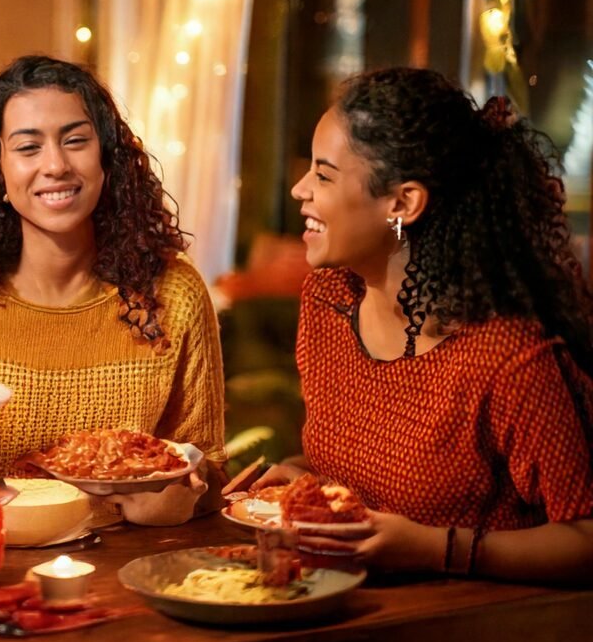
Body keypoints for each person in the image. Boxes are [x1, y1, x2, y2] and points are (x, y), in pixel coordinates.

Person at [249, 67, 593, 584]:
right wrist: (308, 480)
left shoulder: (506, 358)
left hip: (466, 639)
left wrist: (438, 549)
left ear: (402, 203)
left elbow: (586, 539)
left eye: (323, 175)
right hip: (343, 610)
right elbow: (372, 468)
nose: (300, 189)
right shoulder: (328, 301)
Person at [0, 55, 226, 525]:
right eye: (28, 147)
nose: (56, 165)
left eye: (75, 141)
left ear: (107, 158)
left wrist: (181, 502)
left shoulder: (173, 293)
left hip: (124, 568)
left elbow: (209, 467)